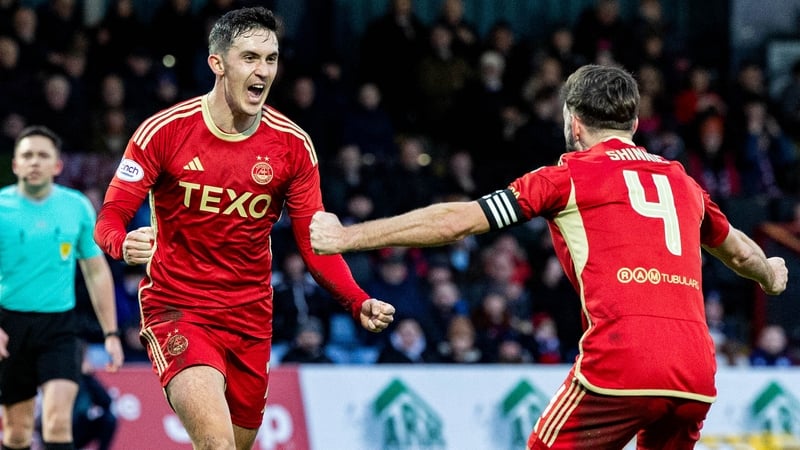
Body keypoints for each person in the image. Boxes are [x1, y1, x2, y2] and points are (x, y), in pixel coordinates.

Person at [310, 64, 789, 449]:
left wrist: (347, 236)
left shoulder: (567, 177)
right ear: (635, 125)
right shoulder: (684, 182)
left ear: (573, 121)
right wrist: (771, 274)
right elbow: (743, 252)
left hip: (624, 361)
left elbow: (456, 222)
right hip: (695, 373)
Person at [92, 7, 395, 450]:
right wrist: (122, 243)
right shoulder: (164, 131)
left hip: (251, 320)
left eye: (271, 59)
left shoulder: (292, 145)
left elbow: (315, 242)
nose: (263, 71)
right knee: (217, 444)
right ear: (218, 63)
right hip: (179, 310)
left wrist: (356, 299)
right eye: (250, 57)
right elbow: (111, 216)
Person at [0, 125, 124, 450]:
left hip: (59, 328)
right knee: (17, 431)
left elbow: (96, 271)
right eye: (27, 155)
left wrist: (111, 334)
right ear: (15, 165)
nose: (34, 162)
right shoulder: (2, 208)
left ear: (57, 165)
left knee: (57, 422)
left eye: (43, 156)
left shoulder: (77, 207)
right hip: (8, 327)